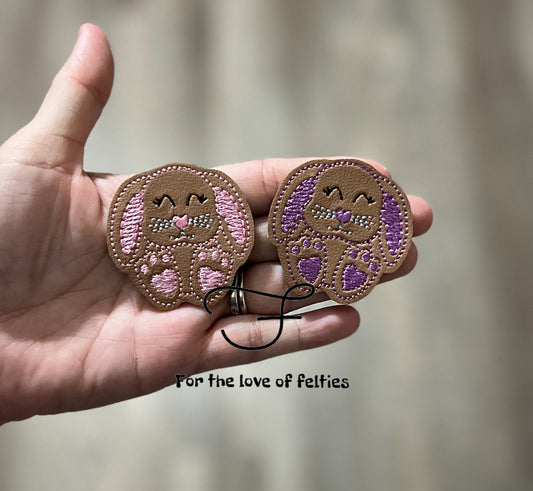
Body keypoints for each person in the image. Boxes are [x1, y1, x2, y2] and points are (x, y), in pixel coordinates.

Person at [0, 24, 432, 424]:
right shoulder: (137, 229)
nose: (182, 216)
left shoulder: (242, 223)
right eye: (165, 205)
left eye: (354, 202)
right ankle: (181, 277)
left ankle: (306, 269)